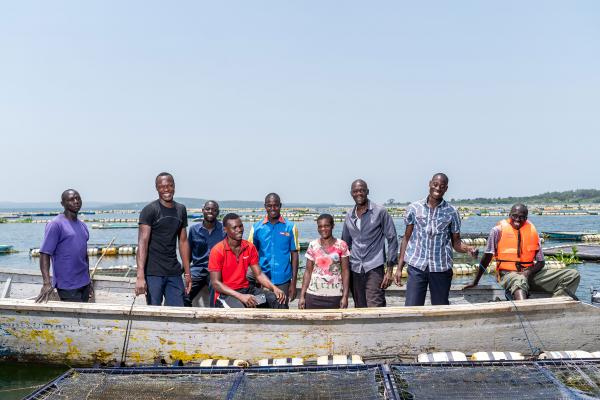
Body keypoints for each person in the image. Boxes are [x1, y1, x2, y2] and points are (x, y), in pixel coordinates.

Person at [394, 173, 477, 306]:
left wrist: (468, 249)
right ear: (430, 184)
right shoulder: (414, 208)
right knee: (412, 307)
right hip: (417, 266)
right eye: (435, 184)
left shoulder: (452, 212)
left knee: (440, 306)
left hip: (441, 268)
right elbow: (406, 238)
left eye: (442, 186)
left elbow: (456, 242)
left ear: (446, 189)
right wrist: (399, 268)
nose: (438, 188)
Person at [465, 204, 580, 299]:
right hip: (507, 275)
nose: (517, 220)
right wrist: (475, 281)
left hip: (529, 274)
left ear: (526, 218)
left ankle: (557, 304)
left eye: (522, 217)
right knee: (519, 279)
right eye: (514, 216)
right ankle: (524, 309)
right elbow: (487, 257)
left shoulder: (533, 231)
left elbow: (541, 262)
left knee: (572, 275)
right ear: (509, 215)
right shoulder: (497, 231)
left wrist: (527, 272)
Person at [135, 172, 192, 306]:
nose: (166, 189)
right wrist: (140, 275)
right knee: (154, 310)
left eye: (169, 185)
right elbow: (142, 243)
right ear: (157, 188)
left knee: (178, 309)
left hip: (173, 271)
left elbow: (183, 241)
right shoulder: (150, 210)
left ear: (174, 187)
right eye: (162, 186)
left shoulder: (181, 210)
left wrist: (188, 274)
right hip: (153, 272)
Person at [209, 213, 286, 308]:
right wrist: (241, 296)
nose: (239, 230)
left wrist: (274, 288)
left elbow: (259, 274)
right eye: (235, 227)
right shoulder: (217, 250)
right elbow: (215, 283)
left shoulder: (249, 247)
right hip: (227, 296)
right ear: (225, 229)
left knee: (277, 299)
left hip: (247, 291)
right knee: (241, 308)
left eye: (240, 226)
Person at [341, 179, 398, 307]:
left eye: (362, 190)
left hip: (374, 266)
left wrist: (389, 271)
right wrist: (343, 271)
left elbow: (392, 239)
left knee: (375, 304)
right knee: (359, 306)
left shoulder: (380, 211)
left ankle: (379, 328)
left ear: (367, 191)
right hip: (355, 267)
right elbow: (345, 244)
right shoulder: (349, 215)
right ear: (351, 193)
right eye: (355, 191)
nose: (359, 193)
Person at [36, 189, 91, 303]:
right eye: (71, 199)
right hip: (67, 285)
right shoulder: (55, 224)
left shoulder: (83, 225)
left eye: (78, 198)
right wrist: (46, 283)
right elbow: (45, 253)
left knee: (82, 319)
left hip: (84, 283)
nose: (76, 201)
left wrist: (89, 281)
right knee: (74, 320)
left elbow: (84, 255)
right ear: (63, 204)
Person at [247, 193, 299, 308]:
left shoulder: (290, 227)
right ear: (265, 206)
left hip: (283, 280)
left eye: (275, 205)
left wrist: (293, 283)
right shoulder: (256, 228)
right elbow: (250, 254)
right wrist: (255, 277)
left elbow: (294, 255)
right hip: (262, 279)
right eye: (269, 206)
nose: (272, 209)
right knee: (261, 305)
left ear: (280, 205)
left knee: (281, 307)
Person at [299, 214, 350, 309]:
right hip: (313, 295)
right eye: (320, 226)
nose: (323, 229)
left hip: (335, 296)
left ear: (332, 226)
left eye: (326, 226)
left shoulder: (342, 245)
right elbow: (308, 271)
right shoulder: (313, 245)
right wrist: (302, 296)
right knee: (312, 324)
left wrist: (345, 296)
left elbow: (345, 271)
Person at [184, 200, 225, 307]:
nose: (210, 211)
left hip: (215, 269)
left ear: (218, 212)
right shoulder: (194, 230)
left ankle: (213, 315)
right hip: (197, 268)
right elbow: (188, 253)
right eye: (208, 209)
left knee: (216, 290)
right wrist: (186, 271)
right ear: (203, 211)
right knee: (184, 293)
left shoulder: (224, 230)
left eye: (214, 210)